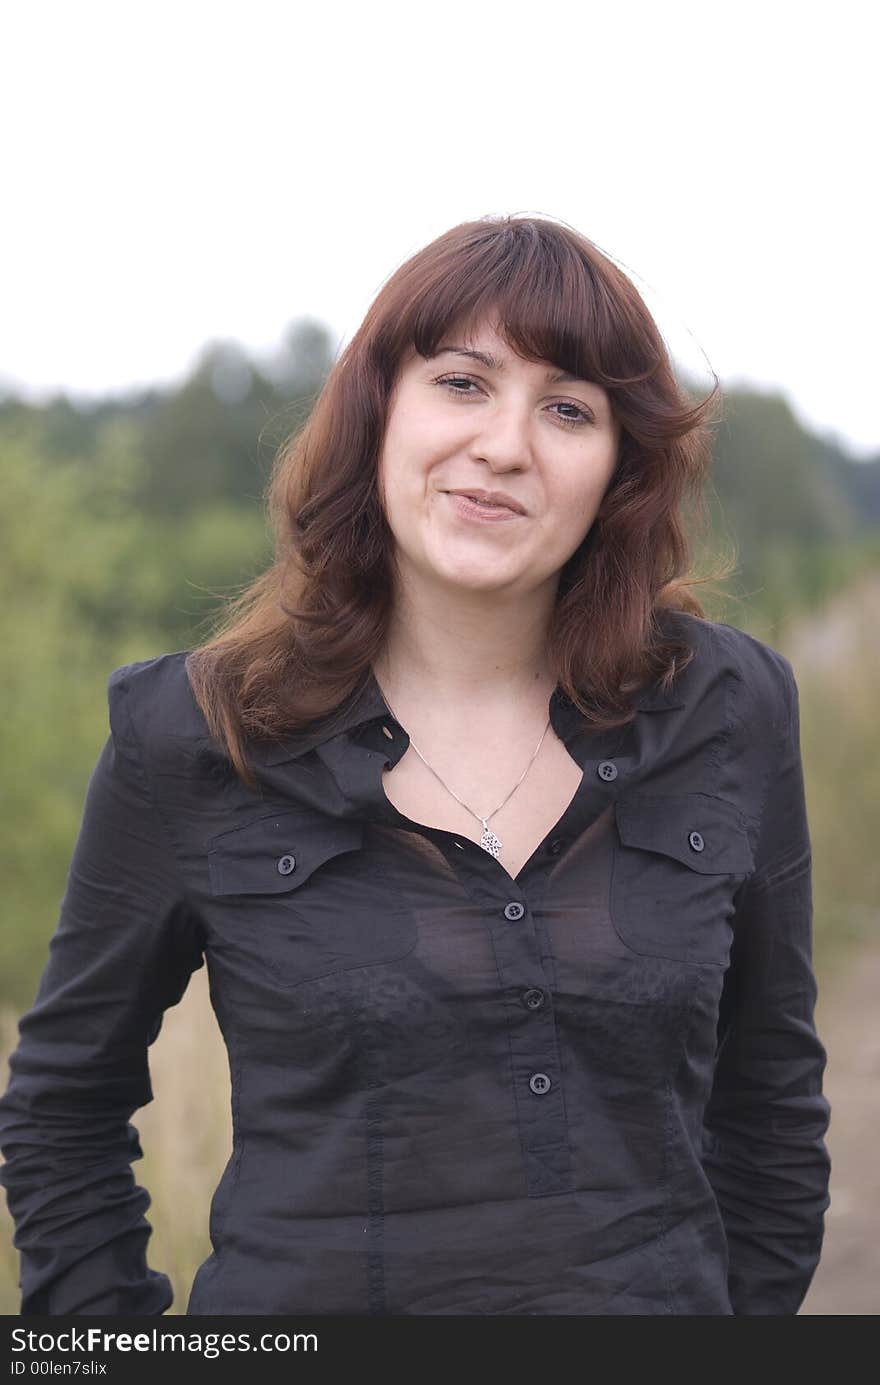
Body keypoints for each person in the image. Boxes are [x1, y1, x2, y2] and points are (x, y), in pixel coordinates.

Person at [0, 214, 830, 1316]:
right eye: (463, 382)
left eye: (568, 409)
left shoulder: (727, 708)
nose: (504, 445)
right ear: (378, 409)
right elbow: (63, 1107)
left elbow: (771, 1099)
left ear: (618, 471)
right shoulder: (197, 730)